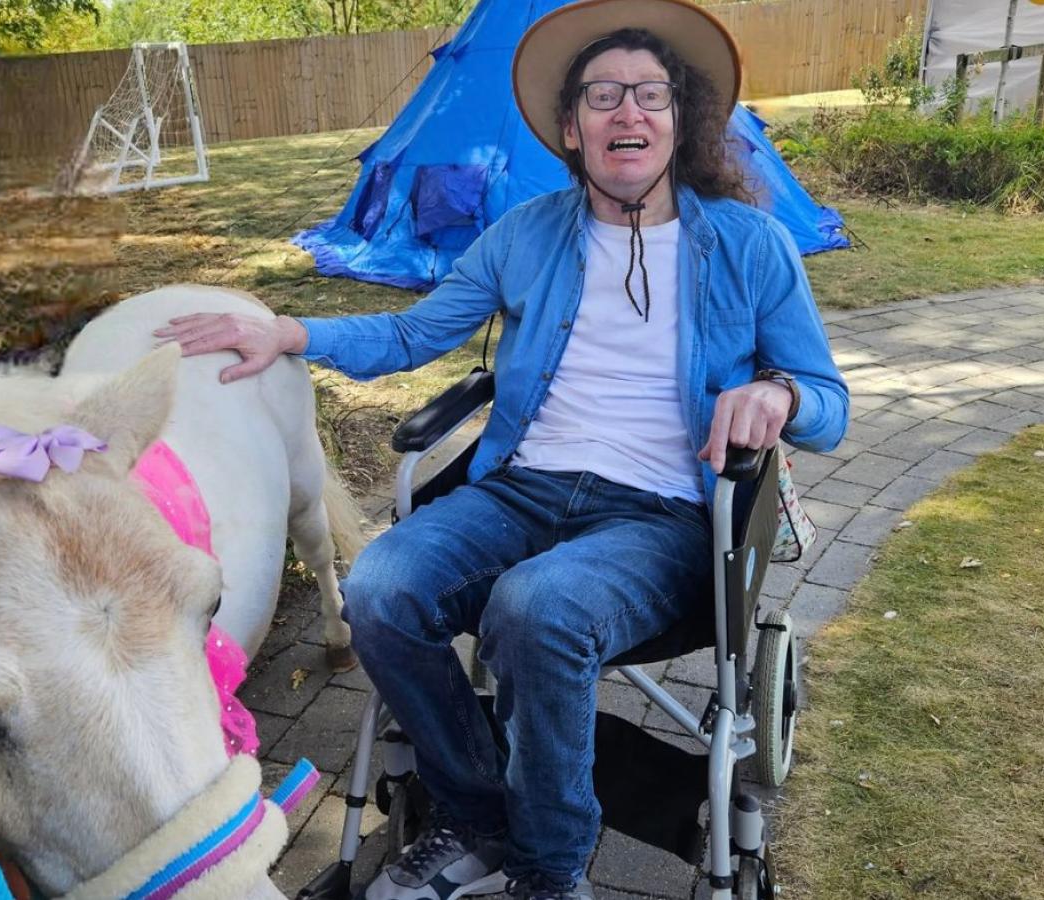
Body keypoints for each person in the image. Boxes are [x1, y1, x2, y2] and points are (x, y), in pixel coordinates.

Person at [153, 0, 848, 896]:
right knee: (380, 589)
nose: (627, 112)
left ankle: (552, 872)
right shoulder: (525, 234)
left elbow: (829, 407)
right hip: (522, 490)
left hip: (666, 516)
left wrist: (776, 390)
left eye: (649, 94)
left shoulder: (750, 245)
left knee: (535, 607)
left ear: (681, 120)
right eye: (603, 96)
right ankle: (479, 819)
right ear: (571, 127)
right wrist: (287, 330)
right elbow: (411, 336)